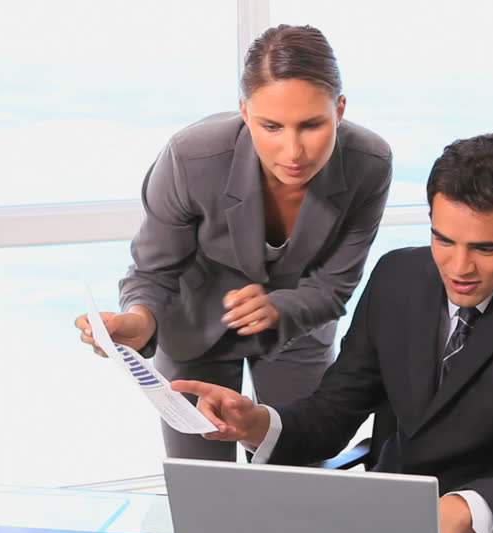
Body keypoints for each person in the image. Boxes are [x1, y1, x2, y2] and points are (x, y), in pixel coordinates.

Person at [173, 131, 493, 533]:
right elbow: (334, 412)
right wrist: (255, 423)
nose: (459, 268)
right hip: (384, 531)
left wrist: (460, 511)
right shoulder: (397, 277)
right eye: (443, 239)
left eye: (484, 249)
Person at [75, 25, 392, 461]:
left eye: (311, 125)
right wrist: (141, 318)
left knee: (301, 470)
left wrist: (279, 308)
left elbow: (334, 286)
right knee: (201, 480)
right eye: (271, 126)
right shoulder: (191, 157)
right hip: (193, 326)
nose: (293, 151)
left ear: (339, 110)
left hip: (297, 329)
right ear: (244, 111)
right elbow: (154, 270)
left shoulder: (369, 163)